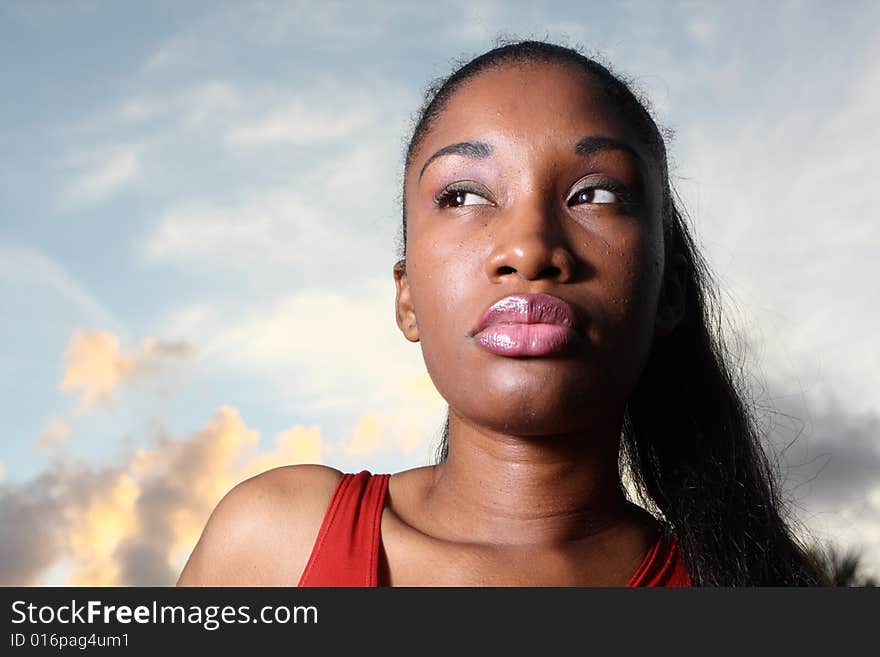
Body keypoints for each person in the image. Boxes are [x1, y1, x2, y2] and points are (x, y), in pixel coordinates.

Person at [177, 39, 826, 587]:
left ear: (670, 294)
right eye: (462, 195)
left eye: (595, 193)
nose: (529, 248)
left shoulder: (760, 585)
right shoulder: (273, 543)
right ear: (407, 298)